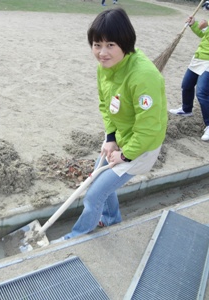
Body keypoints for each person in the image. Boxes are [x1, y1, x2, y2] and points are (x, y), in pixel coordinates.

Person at [53, 8, 167, 242]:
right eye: (97, 45)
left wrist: (125, 155)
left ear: (125, 42)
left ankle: (77, 236)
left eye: (110, 45)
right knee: (98, 178)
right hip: (121, 138)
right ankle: (112, 217)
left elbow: (149, 128)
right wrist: (110, 138)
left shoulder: (144, 76)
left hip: (141, 147)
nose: (102, 53)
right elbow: (106, 105)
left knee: (93, 195)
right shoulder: (105, 67)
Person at [169, 1, 209, 141]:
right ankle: (186, 109)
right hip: (199, 59)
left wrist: (207, 26)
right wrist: (194, 25)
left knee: (202, 92)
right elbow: (203, 35)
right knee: (186, 84)